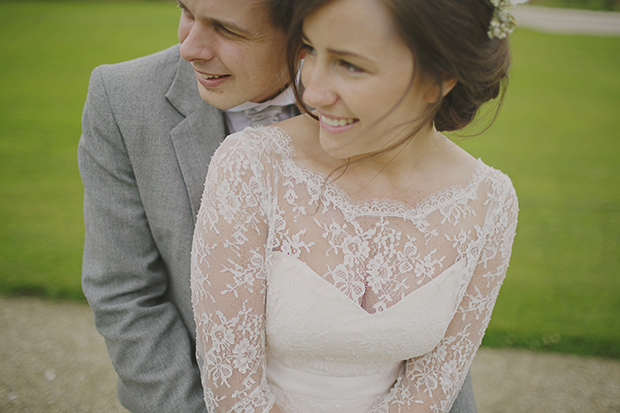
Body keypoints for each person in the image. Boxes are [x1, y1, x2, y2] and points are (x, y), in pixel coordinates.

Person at [78, 0, 477, 411]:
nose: (190, 48)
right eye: (186, 12)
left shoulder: (377, 98)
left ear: (302, 31)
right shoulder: (124, 99)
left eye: (227, 30)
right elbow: (125, 293)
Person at [190, 0, 520, 411]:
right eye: (310, 49)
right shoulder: (251, 164)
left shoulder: (490, 202)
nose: (312, 91)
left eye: (350, 65)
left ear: (438, 79)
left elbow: (430, 393)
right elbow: (234, 395)